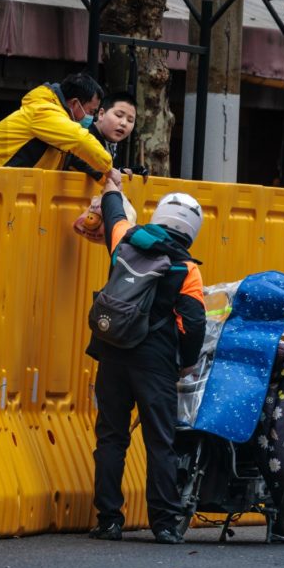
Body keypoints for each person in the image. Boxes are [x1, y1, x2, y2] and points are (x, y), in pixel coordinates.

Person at [86, 186, 207, 545]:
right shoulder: (186, 268)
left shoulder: (124, 240)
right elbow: (194, 324)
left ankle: (109, 520)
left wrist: (113, 185)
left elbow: (112, 210)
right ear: (191, 230)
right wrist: (185, 362)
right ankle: (165, 524)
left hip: (112, 350)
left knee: (111, 437)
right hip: (155, 362)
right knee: (160, 442)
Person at [0, 73, 116, 182]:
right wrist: (108, 169)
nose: (91, 117)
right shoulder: (43, 112)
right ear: (75, 103)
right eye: (91, 111)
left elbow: (75, 159)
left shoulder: (54, 120)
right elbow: (80, 140)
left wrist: (106, 177)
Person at [63, 91, 144, 181]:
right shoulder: (84, 135)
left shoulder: (115, 142)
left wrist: (122, 171)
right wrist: (110, 173)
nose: (124, 123)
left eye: (130, 120)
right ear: (101, 114)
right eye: (119, 115)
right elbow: (77, 161)